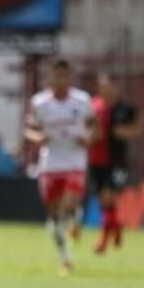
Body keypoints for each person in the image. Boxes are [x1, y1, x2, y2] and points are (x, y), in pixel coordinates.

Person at [24, 59, 98, 275]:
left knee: (69, 204)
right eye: (57, 76)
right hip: (50, 162)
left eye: (64, 76)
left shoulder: (82, 101)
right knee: (54, 217)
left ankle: (75, 215)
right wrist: (38, 137)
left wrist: (88, 138)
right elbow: (28, 129)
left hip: (75, 160)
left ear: (70, 77)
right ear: (51, 78)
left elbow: (94, 127)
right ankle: (65, 258)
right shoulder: (40, 103)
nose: (61, 80)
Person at [90, 73, 141, 253]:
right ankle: (117, 226)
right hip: (97, 161)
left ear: (116, 87)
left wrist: (124, 132)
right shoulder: (93, 107)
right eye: (103, 86)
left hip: (118, 161)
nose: (106, 89)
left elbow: (137, 129)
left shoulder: (126, 108)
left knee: (109, 197)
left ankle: (103, 241)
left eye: (110, 86)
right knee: (105, 201)